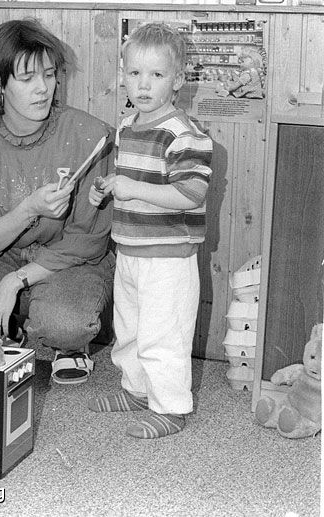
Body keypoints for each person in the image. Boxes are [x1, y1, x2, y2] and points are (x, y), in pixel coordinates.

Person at [0, 19, 116, 386]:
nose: (43, 89)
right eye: (27, 78)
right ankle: (16, 326)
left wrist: (13, 281)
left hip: (68, 262)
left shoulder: (91, 135)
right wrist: (28, 210)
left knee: (67, 324)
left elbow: (89, 240)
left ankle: (64, 342)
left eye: (50, 74)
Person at [87, 22, 213, 438]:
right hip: (131, 249)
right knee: (130, 331)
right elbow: (133, 185)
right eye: (135, 73)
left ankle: (171, 407)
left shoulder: (183, 133)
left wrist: (131, 187)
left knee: (164, 336)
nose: (144, 84)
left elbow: (191, 193)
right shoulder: (127, 126)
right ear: (123, 75)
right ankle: (137, 390)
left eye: (156, 75)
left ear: (177, 81)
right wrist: (106, 192)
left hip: (168, 259)